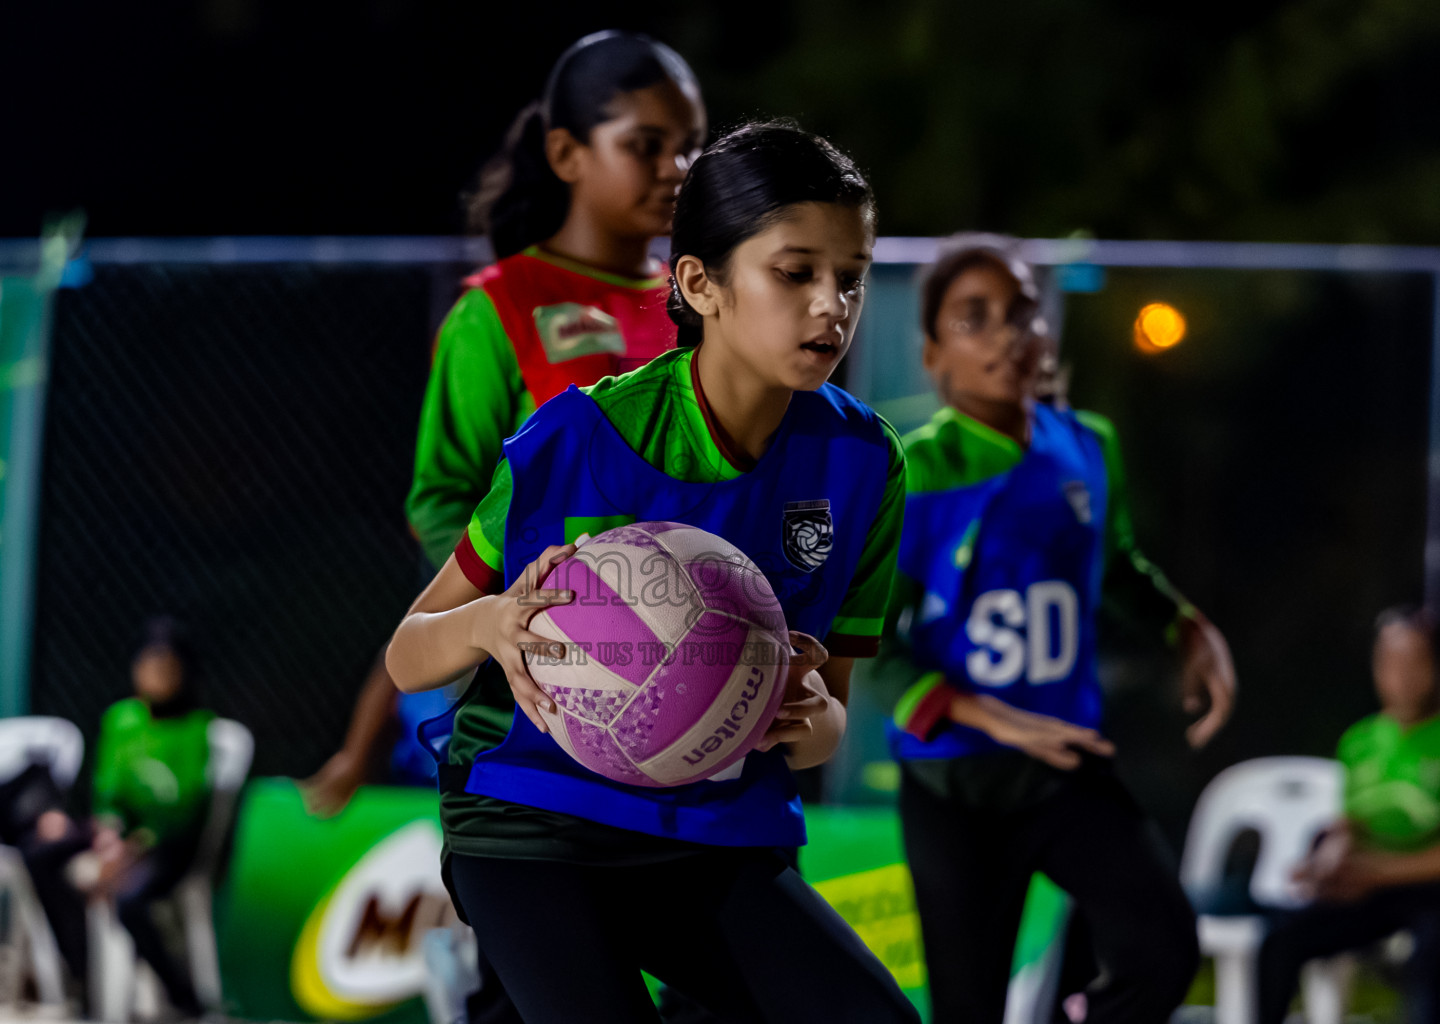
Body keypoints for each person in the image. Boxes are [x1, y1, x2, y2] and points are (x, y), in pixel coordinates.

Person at [385, 120, 917, 1024]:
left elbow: (824, 719)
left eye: (851, 276)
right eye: (796, 273)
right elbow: (407, 655)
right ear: (698, 283)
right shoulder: (581, 439)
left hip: (710, 832)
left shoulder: (864, 463)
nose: (832, 303)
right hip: (534, 821)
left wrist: (813, 718)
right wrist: (488, 625)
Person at [304, 28, 706, 818]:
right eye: (647, 144)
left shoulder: (702, 300)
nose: (677, 169)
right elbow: (441, 494)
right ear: (567, 154)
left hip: (698, 664)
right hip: (553, 672)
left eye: (690, 146)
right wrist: (518, 608)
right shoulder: (498, 308)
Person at [885, 236, 1237, 1023]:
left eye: (1022, 312)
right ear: (935, 352)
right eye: (975, 319)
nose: (1008, 333)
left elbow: (1113, 571)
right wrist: (984, 714)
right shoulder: (914, 471)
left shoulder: (1087, 446)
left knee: (1163, 950)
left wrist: (1186, 628)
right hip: (957, 781)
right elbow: (866, 639)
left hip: (1065, 765)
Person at [1255, 606, 1440, 1024]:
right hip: (1372, 888)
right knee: (1280, 941)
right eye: (1392, 661)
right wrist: (1329, 859)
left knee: (1432, 951)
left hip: (1426, 885)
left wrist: (1377, 873)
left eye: (1415, 661)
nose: (1403, 675)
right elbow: (1352, 820)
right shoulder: (1359, 741)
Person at [23, 617, 214, 1019]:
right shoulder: (121, 719)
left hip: (165, 842)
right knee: (40, 854)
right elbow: (106, 790)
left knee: (129, 901)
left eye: (166, 667)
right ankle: (81, 971)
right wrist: (108, 833)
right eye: (148, 664)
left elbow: (183, 807)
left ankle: (183, 997)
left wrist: (130, 849)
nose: (155, 675)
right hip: (118, 831)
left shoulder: (196, 729)